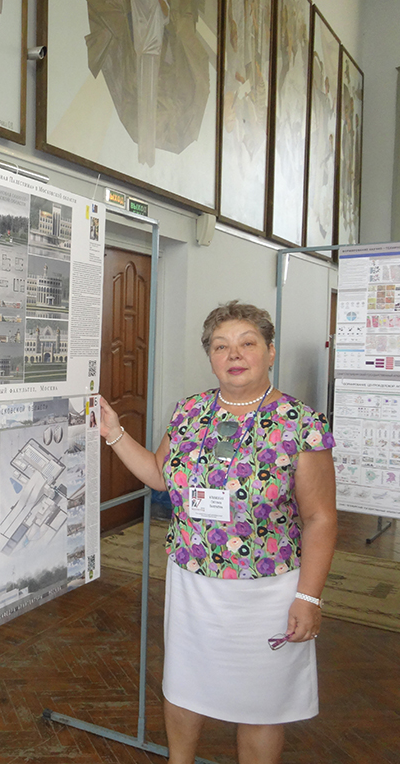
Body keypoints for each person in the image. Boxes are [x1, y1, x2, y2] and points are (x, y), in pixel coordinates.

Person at [98, 301, 336, 764]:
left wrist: (308, 598)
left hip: (268, 591)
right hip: (193, 583)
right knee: (185, 688)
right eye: (221, 346)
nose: (234, 354)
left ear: (270, 351)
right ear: (210, 356)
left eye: (248, 343)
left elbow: (321, 518)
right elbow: (160, 475)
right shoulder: (190, 411)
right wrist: (114, 433)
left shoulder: (300, 423)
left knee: (263, 704)